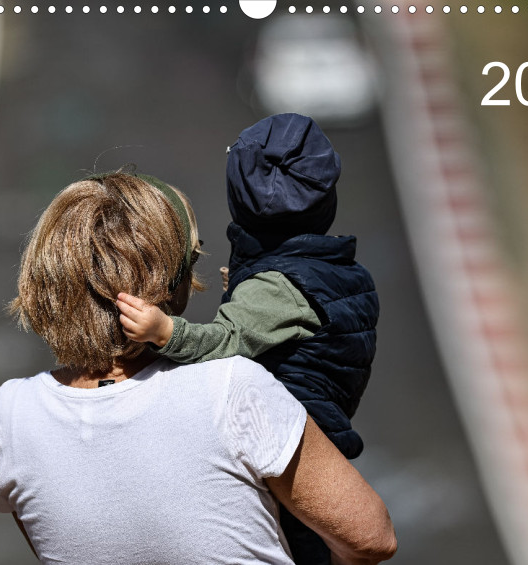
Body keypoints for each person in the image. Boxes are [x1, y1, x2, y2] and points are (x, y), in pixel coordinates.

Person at [0, 171, 396, 564]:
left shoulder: (12, 413)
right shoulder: (232, 387)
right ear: (171, 279)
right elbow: (370, 538)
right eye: (193, 256)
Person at [116, 114, 379, 564]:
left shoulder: (278, 287)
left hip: (289, 440)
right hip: (322, 430)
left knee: (294, 542)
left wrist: (165, 332)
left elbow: (227, 341)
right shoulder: (332, 269)